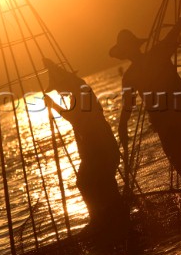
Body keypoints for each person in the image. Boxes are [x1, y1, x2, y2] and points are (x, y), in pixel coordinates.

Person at [109, 0, 181, 216]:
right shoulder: (145, 63)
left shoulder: (146, 63)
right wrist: (122, 127)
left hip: (173, 119)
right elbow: (128, 106)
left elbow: (174, 33)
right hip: (173, 120)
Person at [43, 58, 128, 239]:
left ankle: (107, 221)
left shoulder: (79, 92)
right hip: (97, 150)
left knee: (90, 183)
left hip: (100, 149)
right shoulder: (79, 90)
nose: (59, 92)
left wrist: (53, 106)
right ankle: (109, 220)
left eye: (58, 87)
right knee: (98, 184)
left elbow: (77, 120)